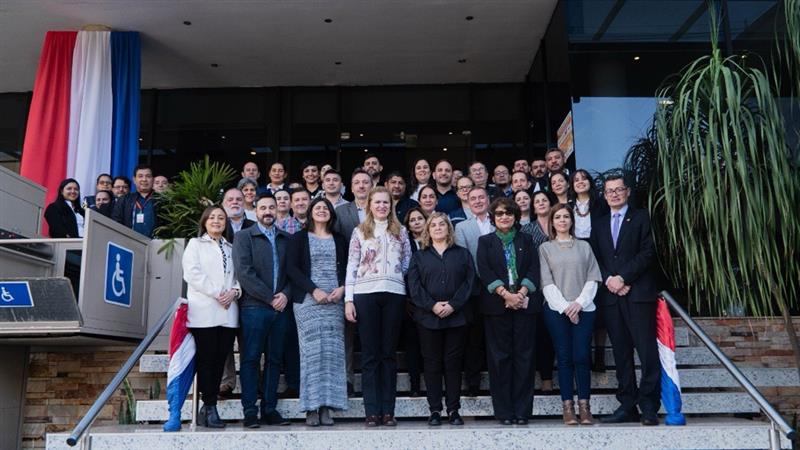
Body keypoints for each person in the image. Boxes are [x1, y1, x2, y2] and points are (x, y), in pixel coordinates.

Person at [590, 175, 660, 426]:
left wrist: (623, 277)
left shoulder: (642, 218)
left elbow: (648, 252)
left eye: (619, 189)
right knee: (621, 354)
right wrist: (610, 279)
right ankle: (627, 405)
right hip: (611, 297)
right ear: (604, 195)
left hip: (638, 295)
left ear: (627, 192)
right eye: (609, 191)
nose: (614, 194)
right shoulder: (598, 224)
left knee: (647, 353)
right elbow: (595, 258)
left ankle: (649, 406)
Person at [344, 186, 412, 427]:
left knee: (388, 354)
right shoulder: (360, 231)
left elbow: (407, 262)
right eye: (377, 202)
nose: (382, 206)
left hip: (394, 294)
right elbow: (352, 265)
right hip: (365, 294)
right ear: (370, 205)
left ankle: (388, 411)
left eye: (386, 202)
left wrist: (393, 276)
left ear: (390, 206)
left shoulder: (400, 231)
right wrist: (349, 299)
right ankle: (372, 411)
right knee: (371, 355)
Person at [476, 197, 540, 425]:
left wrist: (520, 294)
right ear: (493, 218)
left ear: (516, 216)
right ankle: (504, 412)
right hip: (497, 307)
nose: (504, 217)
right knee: (500, 359)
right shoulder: (485, 242)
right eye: (500, 214)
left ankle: (522, 412)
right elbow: (484, 270)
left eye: (509, 213)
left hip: (523, 306)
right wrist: (506, 294)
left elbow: (534, 269)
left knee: (524, 358)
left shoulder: (527, 239)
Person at [408, 212, 474, 427]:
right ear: (428, 230)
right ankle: (435, 410)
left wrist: (453, 304)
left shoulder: (463, 254)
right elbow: (414, 286)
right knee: (432, 364)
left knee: (453, 364)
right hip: (428, 318)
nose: (437, 228)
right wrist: (432, 305)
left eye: (441, 224)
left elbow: (469, 282)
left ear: (448, 229)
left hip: (457, 317)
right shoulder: (419, 256)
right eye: (433, 225)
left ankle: (453, 410)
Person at [287, 197, 348, 426]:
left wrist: (342, 288)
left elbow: (349, 267)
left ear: (331, 213)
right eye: (317, 208)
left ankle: (326, 407)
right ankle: (311, 407)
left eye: (325, 208)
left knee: (332, 355)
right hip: (308, 301)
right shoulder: (299, 238)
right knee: (311, 355)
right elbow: (292, 268)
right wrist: (314, 290)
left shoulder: (340, 239)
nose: (322, 210)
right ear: (311, 212)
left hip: (334, 302)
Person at [232, 194, 293, 428]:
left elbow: (293, 272)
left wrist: (285, 294)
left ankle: (269, 409)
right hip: (254, 308)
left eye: (272, 207)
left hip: (281, 308)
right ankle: (250, 410)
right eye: (263, 207)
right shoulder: (243, 237)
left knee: (275, 360)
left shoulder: (286, 239)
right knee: (250, 359)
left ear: (277, 210)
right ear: (255, 211)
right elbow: (244, 273)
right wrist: (270, 298)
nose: (268, 211)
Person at [539, 204, 602, 425]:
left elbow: (593, 277)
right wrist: (566, 307)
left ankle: (585, 407)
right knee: (564, 358)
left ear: (572, 221)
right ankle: (568, 407)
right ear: (552, 222)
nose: (562, 220)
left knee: (582, 356)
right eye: (558, 217)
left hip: (584, 308)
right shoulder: (545, 248)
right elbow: (546, 282)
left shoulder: (584, 246)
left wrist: (578, 304)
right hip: (556, 310)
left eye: (566, 216)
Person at [182, 205, 241, 428]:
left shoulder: (231, 247)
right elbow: (192, 274)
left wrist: (235, 291)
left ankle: (209, 406)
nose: (217, 221)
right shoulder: (195, 244)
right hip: (204, 311)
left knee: (220, 361)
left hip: (228, 312)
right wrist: (219, 293)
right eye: (212, 217)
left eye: (221, 218)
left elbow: (238, 276)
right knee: (206, 360)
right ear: (205, 221)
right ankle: (209, 406)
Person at [333, 168, 373, 393]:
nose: (361, 186)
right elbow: (337, 245)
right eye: (357, 182)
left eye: (365, 182)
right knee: (347, 332)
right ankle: (347, 379)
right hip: (349, 276)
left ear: (371, 185)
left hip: (374, 278)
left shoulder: (380, 207)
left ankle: (371, 379)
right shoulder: (341, 211)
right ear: (351, 187)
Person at [453, 186, 493, 397]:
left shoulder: (499, 222)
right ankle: (473, 383)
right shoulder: (461, 227)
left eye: (481, 197)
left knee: (496, 338)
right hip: (475, 290)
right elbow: (464, 259)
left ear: (488, 200)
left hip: (500, 291)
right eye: (473, 198)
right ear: (468, 203)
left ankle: (498, 381)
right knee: (473, 340)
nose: (477, 201)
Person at [520, 190, 557, 392]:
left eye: (544, 200)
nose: (541, 203)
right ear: (533, 207)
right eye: (537, 201)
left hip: (561, 286)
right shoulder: (527, 230)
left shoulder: (560, 223)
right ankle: (545, 378)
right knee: (540, 334)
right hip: (535, 288)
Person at [403, 206, 428, 397]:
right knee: (412, 344)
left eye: (420, 218)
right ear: (408, 225)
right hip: (410, 300)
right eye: (412, 220)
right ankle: (414, 385)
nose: (417, 222)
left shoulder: (435, 241)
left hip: (433, 299)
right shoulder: (404, 243)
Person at [112, 165, 160, 238]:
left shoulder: (162, 200)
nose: (144, 179)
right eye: (140, 176)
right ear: (134, 180)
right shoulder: (124, 200)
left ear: (153, 179)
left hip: (156, 242)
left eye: (148, 176)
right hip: (129, 242)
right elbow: (116, 222)